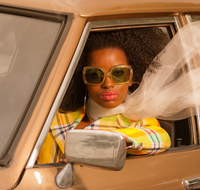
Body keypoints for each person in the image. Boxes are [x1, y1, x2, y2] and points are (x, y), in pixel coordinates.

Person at [38, 28, 172, 164]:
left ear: (132, 77)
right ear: (84, 81)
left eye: (118, 73)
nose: (108, 84)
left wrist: (103, 142)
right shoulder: (53, 116)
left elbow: (160, 139)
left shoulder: (138, 121)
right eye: (95, 75)